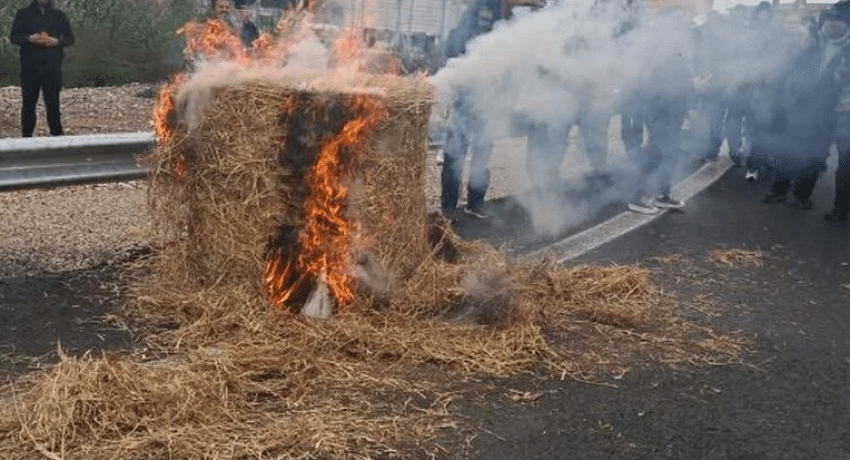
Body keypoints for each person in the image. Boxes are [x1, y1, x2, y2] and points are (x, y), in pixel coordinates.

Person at [759, 2, 849, 210]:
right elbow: (792, 68)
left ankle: (802, 195)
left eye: (839, 20)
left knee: (816, 154)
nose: (832, 24)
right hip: (800, 105)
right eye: (830, 19)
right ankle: (778, 191)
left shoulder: (847, 51)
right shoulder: (813, 42)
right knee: (787, 150)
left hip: (828, 112)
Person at [439, 0, 505, 219]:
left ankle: (476, 202)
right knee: (454, 153)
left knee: (483, 153)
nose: (485, 18)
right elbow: (451, 52)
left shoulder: (500, 22)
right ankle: (448, 207)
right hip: (464, 101)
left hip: (489, 101)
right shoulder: (466, 24)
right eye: (482, 15)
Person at [9, 0, 74, 138]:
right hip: (30, 66)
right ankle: (26, 136)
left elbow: (70, 39)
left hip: (52, 65)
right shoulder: (24, 14)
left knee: (53, 103)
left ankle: (56, 134)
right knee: (28, 103)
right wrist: (29, 38)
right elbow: (13, 37)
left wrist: (57, 42)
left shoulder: (58, 15)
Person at [824, 0, 850, 227]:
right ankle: (841, 208)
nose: (833, 23)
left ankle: (842, 209)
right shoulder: (835, 46)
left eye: (838, 19)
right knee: (845, 166)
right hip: (843, 115)